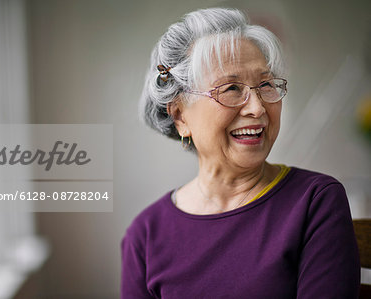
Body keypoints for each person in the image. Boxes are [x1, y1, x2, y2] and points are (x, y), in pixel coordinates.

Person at [121, 7, 360, 299]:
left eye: (266, 85)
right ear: (181, 116)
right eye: (232, 88)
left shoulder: (315, 202)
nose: (257, 108)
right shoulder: (145, 234)